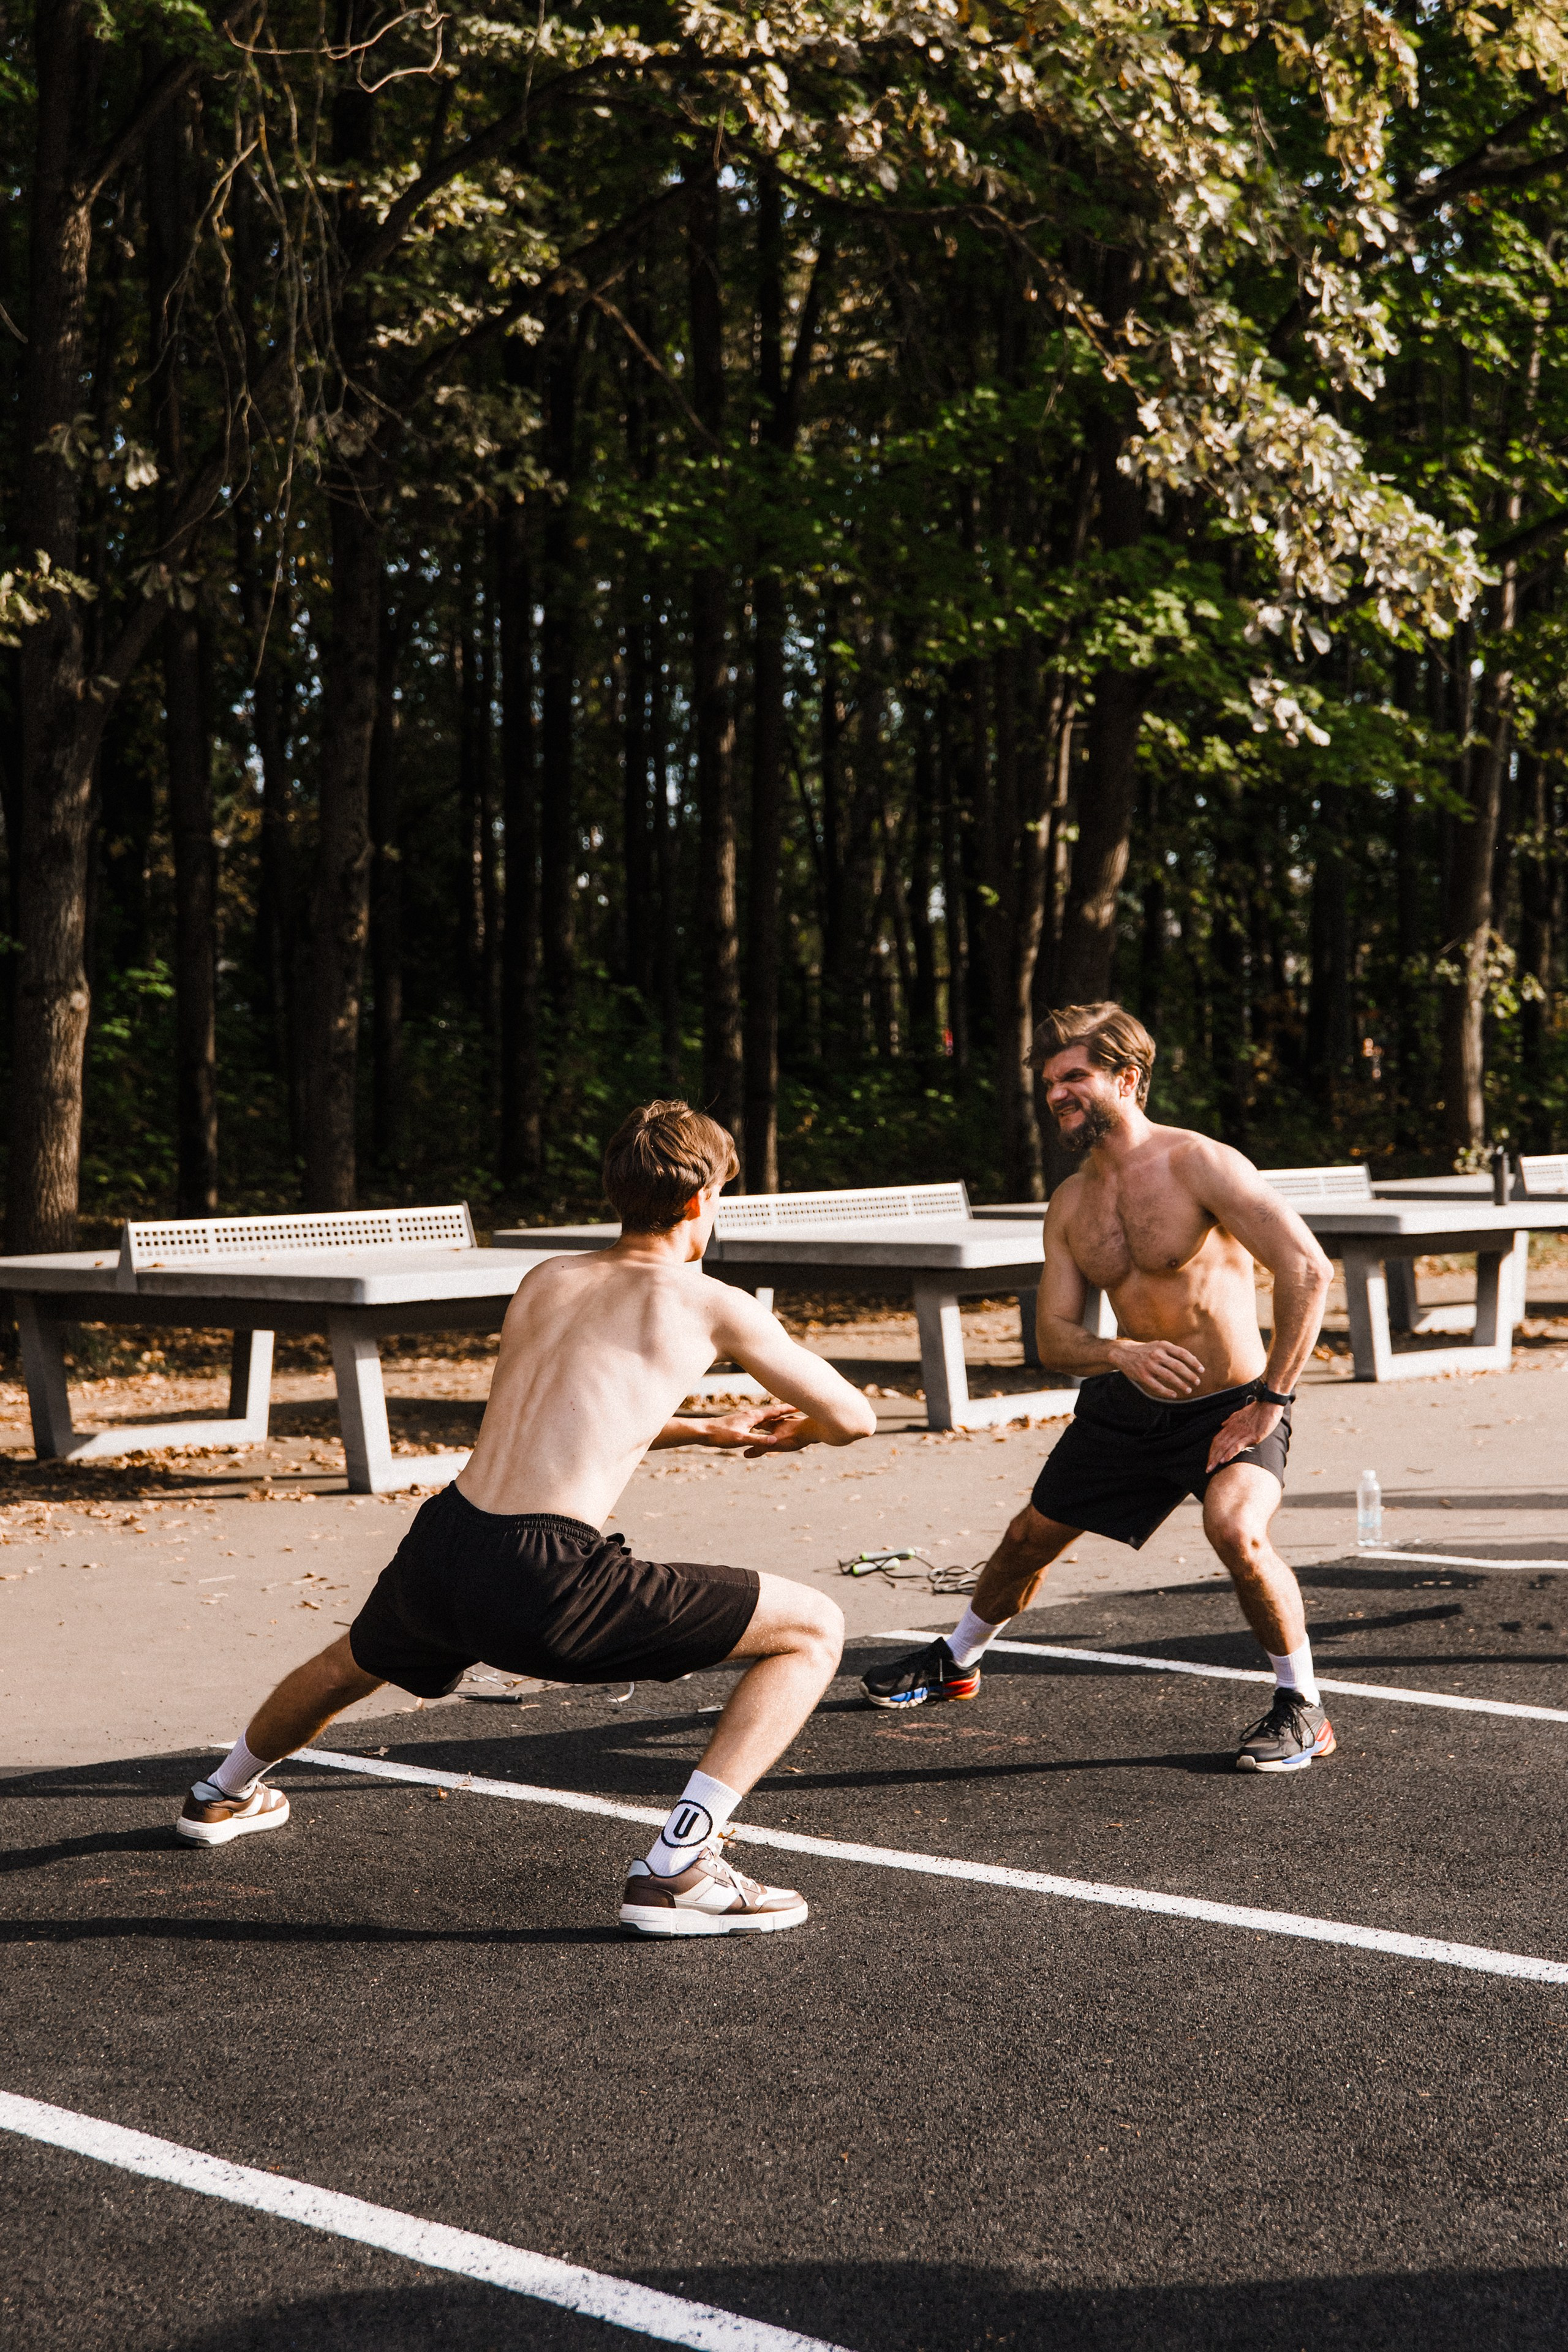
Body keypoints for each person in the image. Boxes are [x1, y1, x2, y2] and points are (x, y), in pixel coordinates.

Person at [176, 1101, 876, 1934]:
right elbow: (853, 1417)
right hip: (546, 1577)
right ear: (699, 1202)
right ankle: (679, 1870)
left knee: (346, 1666)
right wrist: (803, 1433)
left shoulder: (549, 1277)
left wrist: (705, 1430)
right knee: (814, 1629)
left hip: (448, 1540)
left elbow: (569, 1413)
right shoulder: (711, 1302)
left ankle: (220, 1794)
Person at [863, 1003, 1338, 1772]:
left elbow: (1307, 1268)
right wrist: (1120, 1351)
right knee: (1028, 1539)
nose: (1056, 1093)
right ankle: (956, 1661)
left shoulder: (1200, 1164)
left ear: (1127, 1077)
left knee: (1236, 1530)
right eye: (1050, 1082)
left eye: (1073, 1076)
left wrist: (1271, 1401)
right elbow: (1055, 1339)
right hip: (1127, 1408)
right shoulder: (1072, 1203)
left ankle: (1301, 1706)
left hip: (1232, 1407)